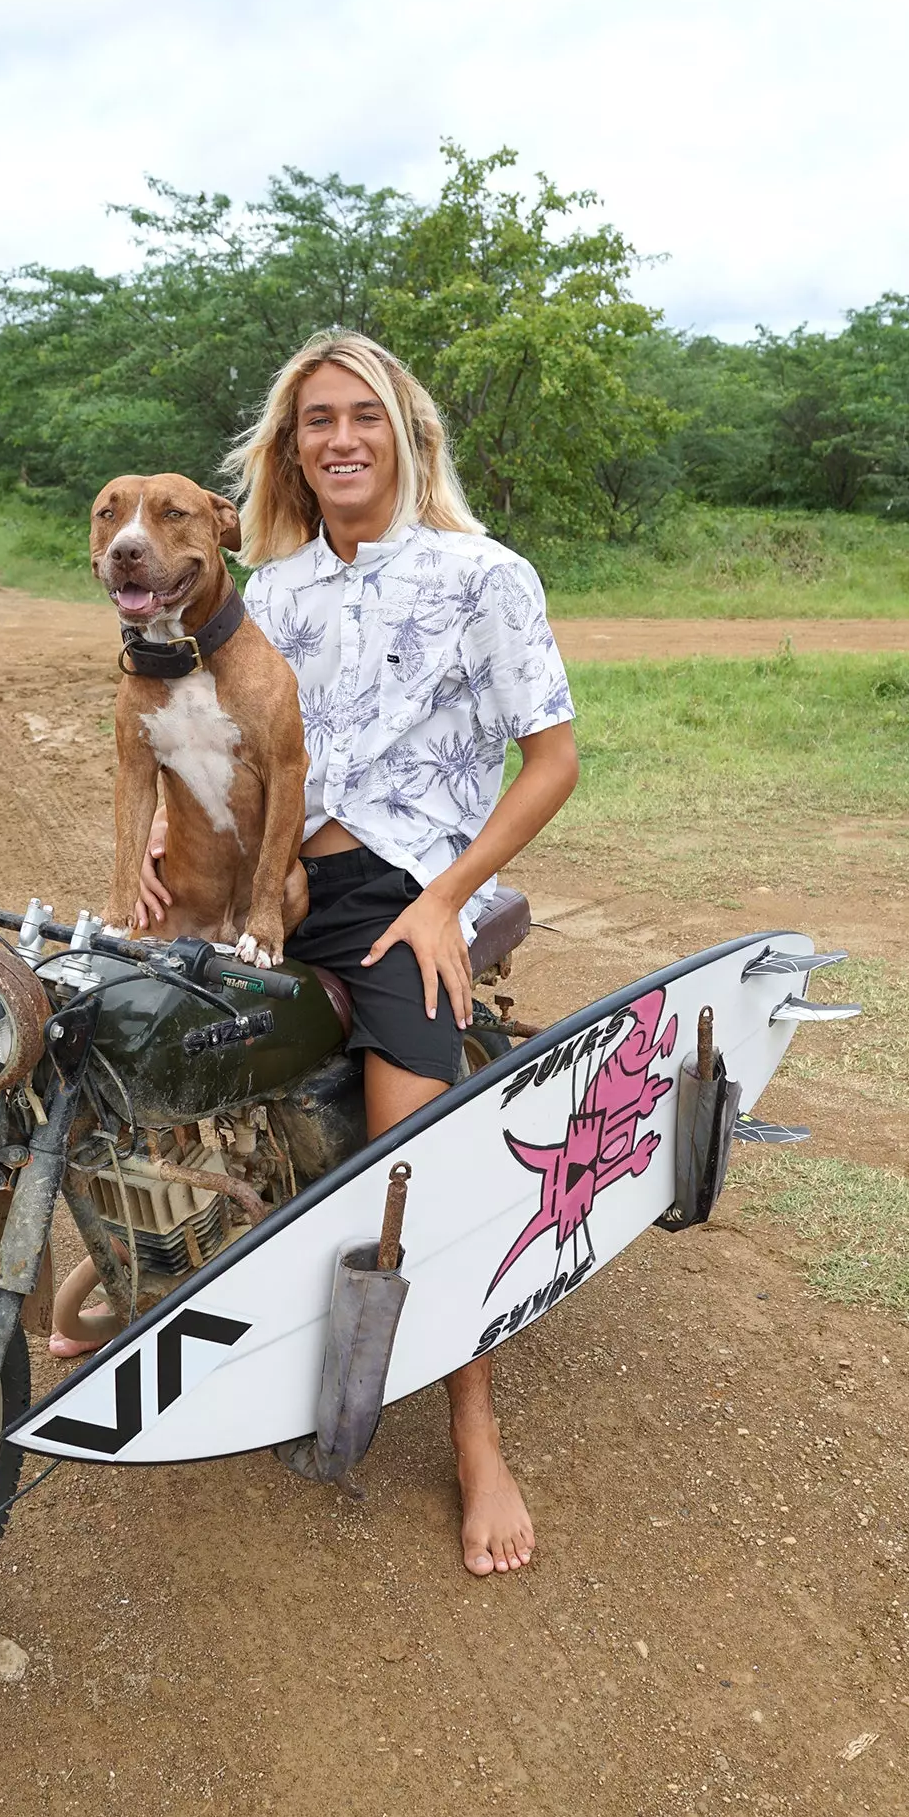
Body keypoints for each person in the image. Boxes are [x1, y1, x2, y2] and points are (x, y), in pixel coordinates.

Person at [136, 332, 578, 1576]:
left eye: (362, 416)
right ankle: (141, 1274)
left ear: (405, 434)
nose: (339, 438)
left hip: (392, 884)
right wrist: (172, 844)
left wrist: (444, 901)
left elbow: (552, 762)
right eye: (315, 421)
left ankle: (474, 1429)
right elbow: (199, 737)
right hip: (260, 874)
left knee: (409, 1153)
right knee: (117, 1026)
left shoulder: (483, 575)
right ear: (290, 449)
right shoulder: (262, 590)